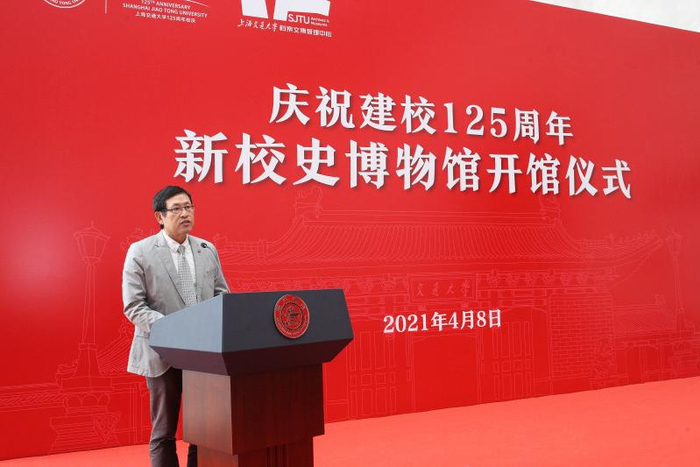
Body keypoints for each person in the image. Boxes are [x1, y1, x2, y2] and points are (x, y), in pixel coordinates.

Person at [122, 186, 229, 467]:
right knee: (163, 431)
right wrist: (174, 328)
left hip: (203, 354)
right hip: (162, 353)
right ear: (160, 216)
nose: (185, 214)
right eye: (177, 209)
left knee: (204, 430)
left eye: (189, 207)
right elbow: (134, 306)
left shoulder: (206, 249)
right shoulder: (141, 251)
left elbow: (222, 295)